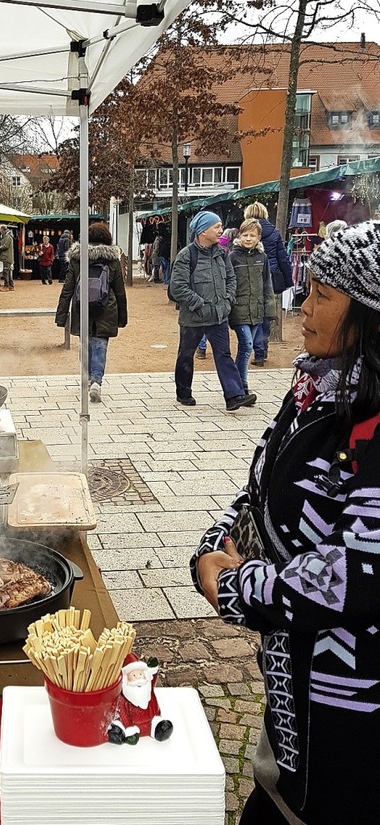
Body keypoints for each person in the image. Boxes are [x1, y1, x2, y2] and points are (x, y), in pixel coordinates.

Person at [191, 220, 380, 824]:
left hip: (353, 723)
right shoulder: (313, 390)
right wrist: (216, 544)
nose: (302, 305)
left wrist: (238, 588)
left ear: (369, 317)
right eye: (309, 288)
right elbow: (262, 490)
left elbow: (355, 575)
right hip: (292, 699)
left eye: (325, 295)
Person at [170, 211, 257, 411]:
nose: (220, 230)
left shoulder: (221, 253)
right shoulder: (186, 255)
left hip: (219, 316)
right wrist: (198, 303)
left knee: (224, 354)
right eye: (216, 227)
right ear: (203, 231)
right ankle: (183, 392)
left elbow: (231, 278)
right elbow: (177, 287)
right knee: (186, 354)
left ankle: (234, 396)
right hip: (194, 317)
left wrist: (228, 300)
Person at [55, 222, 127, 403]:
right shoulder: (112, 260)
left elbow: (67, 289)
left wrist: (62, 316)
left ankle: (86, 379)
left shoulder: (77, 259)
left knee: (85, 344)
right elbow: (119, 291)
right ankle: (97, 381)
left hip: (82, 308)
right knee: (100, 345)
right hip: (106, 309)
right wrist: (122, 318)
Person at [228, 219, 276, 394]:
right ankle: (242, 386)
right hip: (239, 309)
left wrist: (269, 310)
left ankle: (234, 383)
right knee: (247, 346)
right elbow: (229, 283)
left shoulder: (262, 258)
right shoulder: (232, 257)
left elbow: (267, 284)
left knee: (245, 349)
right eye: (245, 235)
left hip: (257, 309)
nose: (248, 238)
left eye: (252, 235)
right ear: (239, 236)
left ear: (259, 237)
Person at [243, 202, 292, 366]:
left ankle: (253, 349)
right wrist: (288, 279)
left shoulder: (246, 232)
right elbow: (282, 257)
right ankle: (261, 352)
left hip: (251, 275)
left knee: (253, 314)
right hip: (271, 275)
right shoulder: (274, 232)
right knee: (265, 314)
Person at [107, 656, 173, 744]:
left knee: (161, 725)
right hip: (133, 725)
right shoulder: (124, 698)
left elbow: (152, 678)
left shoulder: (148, 689)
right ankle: (119, 734)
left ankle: (160, 730)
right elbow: (124, 714)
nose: (138, 679)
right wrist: (129, 728)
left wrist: (153, 668)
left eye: (140, 674)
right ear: (126, 679)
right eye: (134, 675)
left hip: (150, 723)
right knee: (119, 727)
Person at [0, 224, 15, 291]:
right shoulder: (7, 236)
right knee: (9, 272)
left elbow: (6, 246)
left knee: (6, 272)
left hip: (6, 256)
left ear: (2, 229)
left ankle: (6, 286)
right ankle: (11, 285)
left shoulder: (7, 237)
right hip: (7, 256)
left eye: (0, 229)